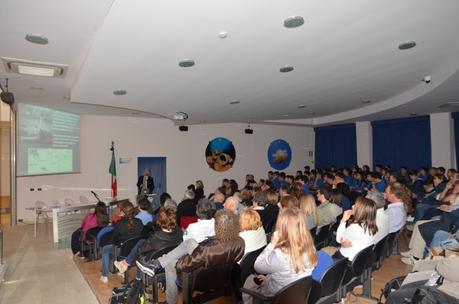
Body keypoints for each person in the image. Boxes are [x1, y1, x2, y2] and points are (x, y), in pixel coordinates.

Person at [137, 209, 244, 304]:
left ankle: (170, 300)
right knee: (190, 242)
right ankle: (158, 262)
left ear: (218, 227)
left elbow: (183, 266)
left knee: (170, 264)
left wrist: (181, 259)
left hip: (200, 278)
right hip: (220, 272)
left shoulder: (207, 249)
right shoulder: (239, 242)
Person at [242, 208, 317, 304]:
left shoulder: (281, 254)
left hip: (274, 296)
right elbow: (290, 273)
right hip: (296, 293)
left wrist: (272, 244)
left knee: (249, 281)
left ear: (283, 227)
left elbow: (257, 266)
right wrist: (269, 278)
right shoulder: (310, 248)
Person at [114, 207, 183, 275]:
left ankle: (126, 264)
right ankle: (125, 263)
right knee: (141, 243)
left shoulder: (157, 236)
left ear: (159, 221)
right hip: (171, 259)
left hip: (153, 263)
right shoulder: (179, 232)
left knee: (140, 247)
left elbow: (141, 250)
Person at [100, 201, 143, 283]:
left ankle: (104, 275)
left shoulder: (119, 224)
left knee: (105, 249)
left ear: (122, 212)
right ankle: (121, 271)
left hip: (122, 251)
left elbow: (113, 240)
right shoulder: (139, 222)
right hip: (136, 251)